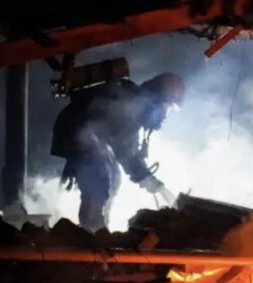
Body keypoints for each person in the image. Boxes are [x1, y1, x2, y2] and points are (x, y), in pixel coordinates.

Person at [51, 72, 184, 232]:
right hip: (76, 131)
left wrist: (159, 187)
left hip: (79, 131)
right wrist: (156, 186)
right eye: (167, 109)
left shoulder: (134, 107)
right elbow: (127, 154)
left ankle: (99, 227)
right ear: (155, 101)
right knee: (102, 170)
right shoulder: (130, 104)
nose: (164, 118)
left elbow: (128, 154)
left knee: (113, 176)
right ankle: (94, 229)